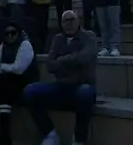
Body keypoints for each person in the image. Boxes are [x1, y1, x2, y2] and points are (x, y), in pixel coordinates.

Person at [23, 10, 97, 145]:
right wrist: (72, 61)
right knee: (30, 90)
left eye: (71, 19)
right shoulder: (58, 38)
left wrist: (62, 60)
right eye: (65, 20)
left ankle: (80, 139)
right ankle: (50, 134)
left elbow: (86, 57)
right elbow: (50, 65)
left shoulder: (89, 36)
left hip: (82, 85)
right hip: (61, 86)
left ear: (78, 20)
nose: (68, 23)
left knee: (85, 92)